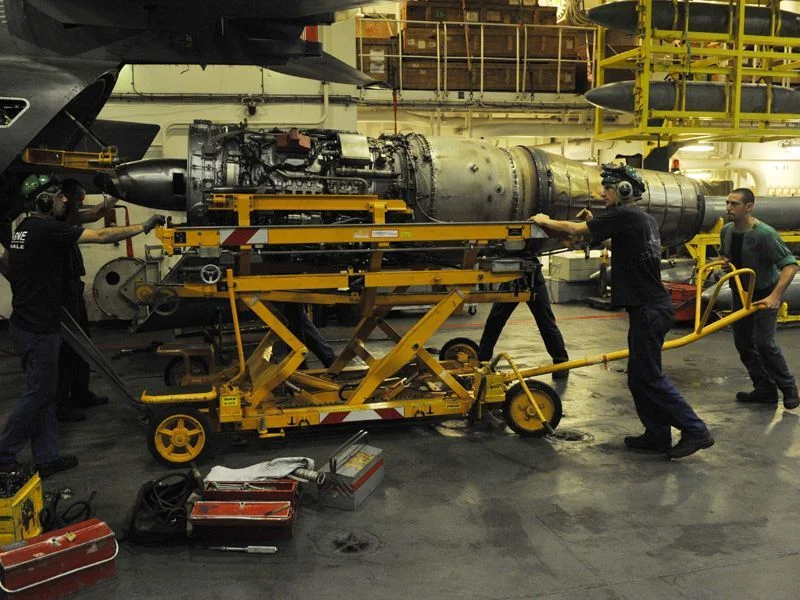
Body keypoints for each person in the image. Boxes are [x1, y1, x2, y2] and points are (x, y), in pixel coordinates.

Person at [531, 163, 714, 459]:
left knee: (649, 376)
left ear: (624, 190)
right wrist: (596, 224)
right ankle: (657, 434)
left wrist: (544, 219)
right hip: (650, 307)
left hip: (648, 309)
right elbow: (614, 240)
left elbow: (576, 230)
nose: (603, 194)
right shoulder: (642, 219)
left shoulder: (624, 214)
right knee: (638, 376)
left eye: (607, 188)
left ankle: (695, 429)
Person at [0, 174, 165, 477]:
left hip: (32, 321)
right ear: (44, 201)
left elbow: (8, 263)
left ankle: (47, 458)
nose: (66, 200)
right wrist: (143, 227)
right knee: (38, 395)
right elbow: (101, 236)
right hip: (38, 328)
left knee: (44, 394)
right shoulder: (46, 228)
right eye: (59, 196)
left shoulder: (22, 230)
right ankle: (4, 452)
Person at [720, 188, 799, 410]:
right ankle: (764, 389)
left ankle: (789, 388)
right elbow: (725, 254)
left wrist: (775, 296)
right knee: (743, 342)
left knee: (764, 342)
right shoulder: (726, 231)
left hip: (764, 293)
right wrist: (726, 262)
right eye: (727, 203)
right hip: (739, 293)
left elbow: (790, 265)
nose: (728, 208)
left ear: (749, 207)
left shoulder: (765, 234)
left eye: (734, 204)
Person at [55, 178, 119, 422]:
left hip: (72, 286)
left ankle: (81, 394)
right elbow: (96, 216)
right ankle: (62, 405)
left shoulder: (68, 216)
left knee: (82, 342)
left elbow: (96, 211)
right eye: (79, 198)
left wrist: (116, 195)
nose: (82, 202)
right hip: (61, 290)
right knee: (67, 348)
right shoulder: (58, 221)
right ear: (66, 197)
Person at [477, 257, 569, 379]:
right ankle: (482, 360)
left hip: (532, 277)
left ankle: (561, 363)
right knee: (495, 320)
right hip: (511, 277)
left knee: (546, 322)